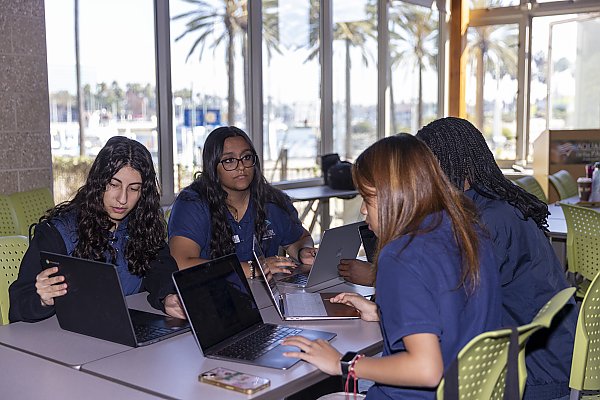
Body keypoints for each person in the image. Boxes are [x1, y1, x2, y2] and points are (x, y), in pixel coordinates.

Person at [282, 134, 502, 399]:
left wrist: (344, 363)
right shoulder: (468, 230)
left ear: (393, 196)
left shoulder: (400, 256)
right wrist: (380, 311)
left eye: (368, 198)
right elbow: (452, 307)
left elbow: (425, 369)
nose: (363, 210)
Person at [416, 117, 577, 400]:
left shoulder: (485, 222)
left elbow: (453, 302)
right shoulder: (494, 203)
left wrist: (380, 281)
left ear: (455, 167)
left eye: (427, 169)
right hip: (556, 357)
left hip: (537, 374)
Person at [9, 136, 184, 323]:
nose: (122, 199)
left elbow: (161, 270)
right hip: (70, 339)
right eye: (113, 185)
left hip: (126, 329)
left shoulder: (142, 226)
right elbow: (19, 305)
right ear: (98, 183)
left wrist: (167, 296)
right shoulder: (58, 233)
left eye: (134, 189)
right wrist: (42, 299)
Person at [168, 126, 315, 277]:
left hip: (269, 293)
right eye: (229, 160)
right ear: (213, 166)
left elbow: (300, 238)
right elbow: (181, 263)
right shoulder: (192, 203)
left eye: (246, 157)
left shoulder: (272, 201)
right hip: (211, 295)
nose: (241, 167)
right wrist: (254, 269)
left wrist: (302, 251)